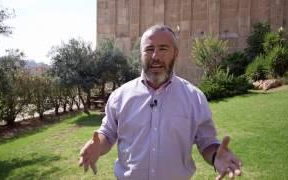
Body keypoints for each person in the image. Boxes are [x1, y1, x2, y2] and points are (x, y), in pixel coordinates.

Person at [79, 24, 242, 180]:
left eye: (163, 49)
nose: (155, 56)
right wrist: (98, 146)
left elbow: (206, 142)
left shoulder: (194, 98)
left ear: (176, 53)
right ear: (141, 54)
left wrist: (215, 156)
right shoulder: (120, 97)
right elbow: (107, 134)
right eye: (149, 49)